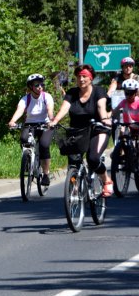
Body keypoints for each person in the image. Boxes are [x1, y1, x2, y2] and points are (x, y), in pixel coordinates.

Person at [49, 64, 113, 197]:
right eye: (79, 77)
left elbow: (101, 106)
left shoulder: (99, 91)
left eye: (84, 76)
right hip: (77, 131)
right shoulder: (72, 93)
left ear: (91, 78)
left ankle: (106, 180)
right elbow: (64, 108)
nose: (81, 79)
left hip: (97, 129)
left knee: (93, 158)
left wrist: (105, 119)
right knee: (73, 162)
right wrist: (55, 121)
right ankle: (76, 187)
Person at [8, 73, 55, 186]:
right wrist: (12, 121)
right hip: (30, 124)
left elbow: (50, 110)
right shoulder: (25, 99)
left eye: (41, 84)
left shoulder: (46, 97)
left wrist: (51, 120)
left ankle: (46, 174)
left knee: (44, 145)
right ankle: (28, 160)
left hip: (45, 124)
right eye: (37, 85)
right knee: (24, 139)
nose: (40, 87)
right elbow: (20, 110)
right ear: (30, 87)